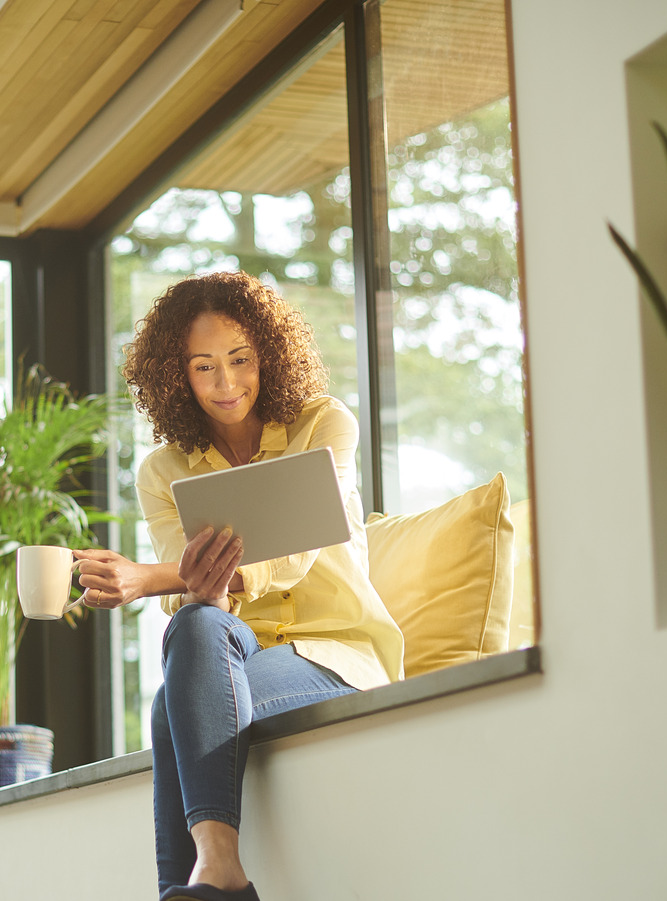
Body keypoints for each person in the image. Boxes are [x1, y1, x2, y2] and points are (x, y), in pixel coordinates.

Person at [73, 271, 405, 901]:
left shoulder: (323, 424)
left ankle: (201, 879)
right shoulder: (161, 470)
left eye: (240, 360)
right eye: (204, 367)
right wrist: (190, 588)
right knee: (194, 623)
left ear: (268, 355)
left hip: (333, 651)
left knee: (170, 708)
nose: (226, 384)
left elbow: (299, 546)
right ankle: (220, 867)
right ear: (177, 376)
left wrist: (144, 579)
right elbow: (198, 593)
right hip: (233, 653)